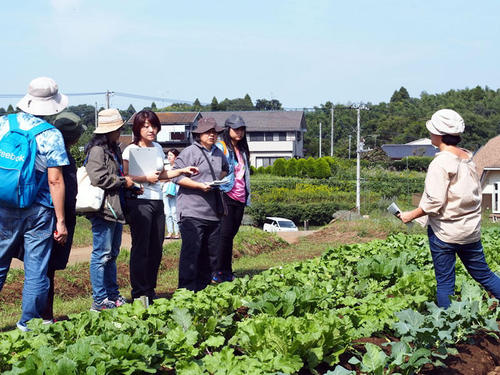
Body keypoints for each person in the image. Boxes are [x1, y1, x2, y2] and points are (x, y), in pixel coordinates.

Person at [399, 109, 500, 308]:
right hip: (470, 231)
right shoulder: (468, 157)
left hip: (444, 233)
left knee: (445, 283)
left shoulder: (441, 163)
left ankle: (447, 329)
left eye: (432, 131)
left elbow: (434, 202)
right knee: (485, 275)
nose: (430, 135)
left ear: (439, 134)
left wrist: (409, 215)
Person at [0, 77, 69, 331]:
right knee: (36, 270)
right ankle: (27, 325)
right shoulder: (51, 135)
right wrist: (61, 221)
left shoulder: (4, 123)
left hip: (3, 204)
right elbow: (55, 180)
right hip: (39, 209)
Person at [122, 110, 197, 303]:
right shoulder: (129, 150)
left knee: (156, 247)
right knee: (141, 247)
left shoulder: (157, 147)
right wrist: (145, 178)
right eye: (146, 126)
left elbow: (162, 174)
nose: (151, 130)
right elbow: (125, 178)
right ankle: (139, 292)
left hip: (157, 200)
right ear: (137, 128)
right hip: (139, 201)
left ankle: (150, 289)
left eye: (153, 126)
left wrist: (182, 170)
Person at [85, 108, 137, 312]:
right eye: (117, 129)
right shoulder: (97, 151)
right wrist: (124, 182)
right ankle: (99, 300)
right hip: (103, 210)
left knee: (112, 254)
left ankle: (112, 295)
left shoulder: (114, 149)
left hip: (115, 209)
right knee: (101, 255)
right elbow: (98, 178)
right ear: (107, 131)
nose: (119, 132)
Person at [171, 117, 229, 292]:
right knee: (191, 253)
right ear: (199, 134)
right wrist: (198, 185)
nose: (212, 135)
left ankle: (203, 291)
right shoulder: (189, 152)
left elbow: (226, 170)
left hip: (213, 212)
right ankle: (186, 292)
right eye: (208, 132)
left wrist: (217, 182)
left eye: (215, 132)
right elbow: (176, 176)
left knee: (210, 255)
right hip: (191, 211)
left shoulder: (219, 153)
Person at [42, 112, 85, 323]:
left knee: (43, 268)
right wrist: (63, 222)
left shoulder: (47, 151)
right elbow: (63, 192)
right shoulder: (62, 157)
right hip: (56, 219)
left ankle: (43, 315)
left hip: (41, 216)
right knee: (46, 269)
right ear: (75, 137)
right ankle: (44, 316)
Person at [212, 115, 251, 283]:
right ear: (227, 130)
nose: (239, 132)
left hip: (240, 196)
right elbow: (216, 171)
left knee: (231, 235)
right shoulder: (221, 147)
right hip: (226, 194)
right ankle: (219, 271)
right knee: (224, 235)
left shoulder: (241, 150)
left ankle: (226, 270)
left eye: (242, 129)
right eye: (236, 129)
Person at [162, 148, 180, 240]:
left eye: (171, 155)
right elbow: (161, 179)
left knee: (174, 212)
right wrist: (169, 177)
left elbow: (178, 178)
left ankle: (177, 232)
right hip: (165, 191)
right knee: (167, 212)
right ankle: (169, 231)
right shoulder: (166, 167)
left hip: (175, 191)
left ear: (176, 157)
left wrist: (169, 177)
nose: (169, 157)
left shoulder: (179, 167)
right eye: (168, 155)